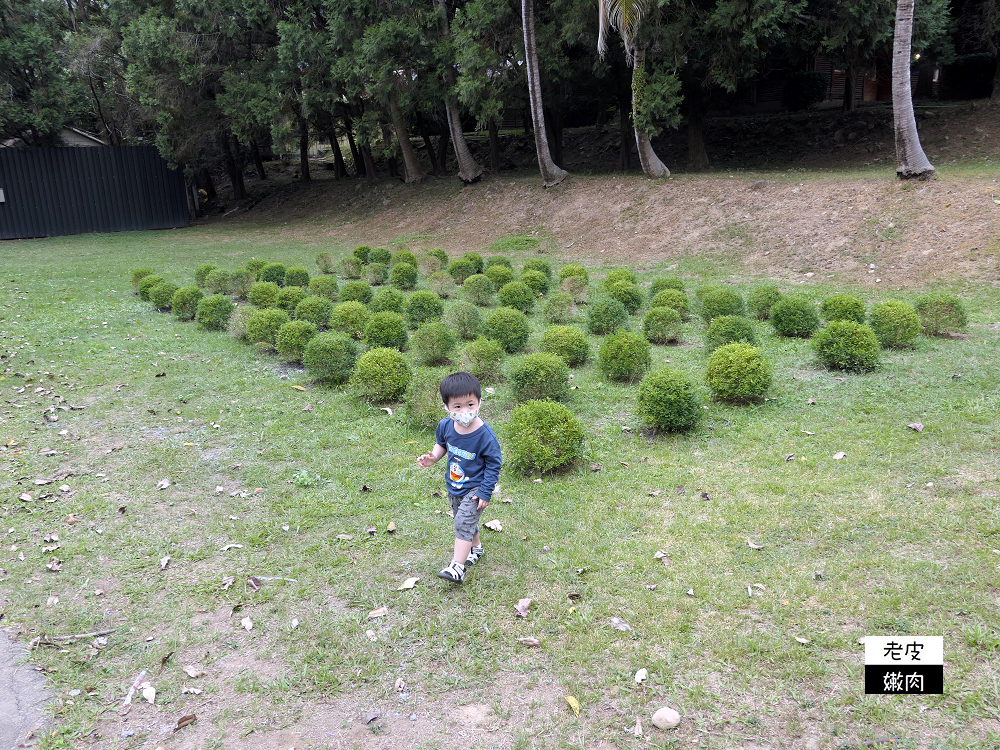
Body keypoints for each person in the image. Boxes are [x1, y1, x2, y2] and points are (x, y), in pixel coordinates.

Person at [416, 371, 502, 583]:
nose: (465, 411)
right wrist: (433, 458)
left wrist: (485, 491)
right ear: (446, 406)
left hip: (476, 488)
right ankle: (477, 548)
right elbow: (442, 444)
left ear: (480, 402)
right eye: (457, 406)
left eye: (470, 404)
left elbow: (494, 464)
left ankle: (457, 567)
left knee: (463, 521)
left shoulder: (485, 435)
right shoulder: (446, 425)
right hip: (455, 485)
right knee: (463, 519)